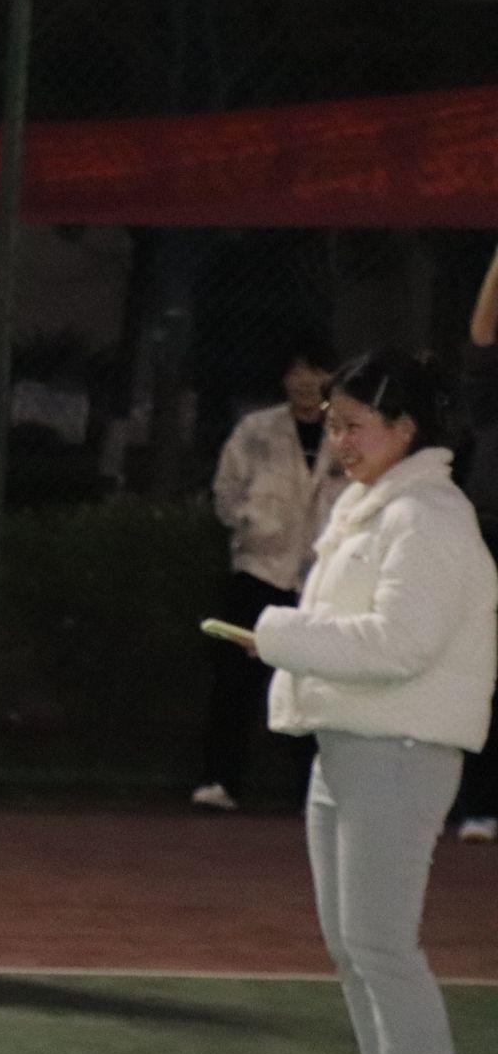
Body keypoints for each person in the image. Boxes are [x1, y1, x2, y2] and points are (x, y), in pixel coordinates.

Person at [243, 350, 495, 1054]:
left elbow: (400, 643)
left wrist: (280, 635)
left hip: (399, 750)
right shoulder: (376, 507)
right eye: (335, 423)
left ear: (407, 429)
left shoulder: (427, 517)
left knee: (382, 943)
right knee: (355, 942)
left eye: (356, 424)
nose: (340, 440)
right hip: (353, 741)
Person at [194, 336, 344, 813]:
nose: (305, 381)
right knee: (236, 678)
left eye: (315, 370)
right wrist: (252, 524)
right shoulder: (256, 430)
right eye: (296, 370)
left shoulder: (348, 432)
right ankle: (220, 779)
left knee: (313, 682)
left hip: (322, 577)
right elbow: (225, 491)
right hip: (258, 570)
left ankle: (312, 787)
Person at [453, 243, 498, 842]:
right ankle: (479, 803)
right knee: (483, 668)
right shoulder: (490, 390)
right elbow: (483, 332)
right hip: (490, 532)